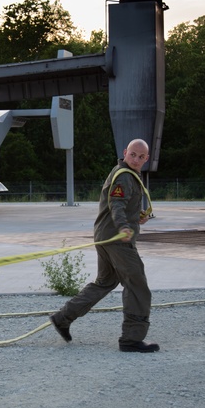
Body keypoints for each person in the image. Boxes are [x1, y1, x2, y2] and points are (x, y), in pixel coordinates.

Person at [50, 139, 159, 352]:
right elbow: (116, 204)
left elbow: (122, 205)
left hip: (105, 237)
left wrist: (135, 217)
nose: (136, 159)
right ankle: (131, 339)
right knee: (137, 284)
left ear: (146, 159)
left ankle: (63, 318)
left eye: (140, 157)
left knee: (105, 282)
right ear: (125, 152)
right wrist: (123, 227)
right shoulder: (125, 175)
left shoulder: (123, 173)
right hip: (117, 240)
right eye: (133, 154)